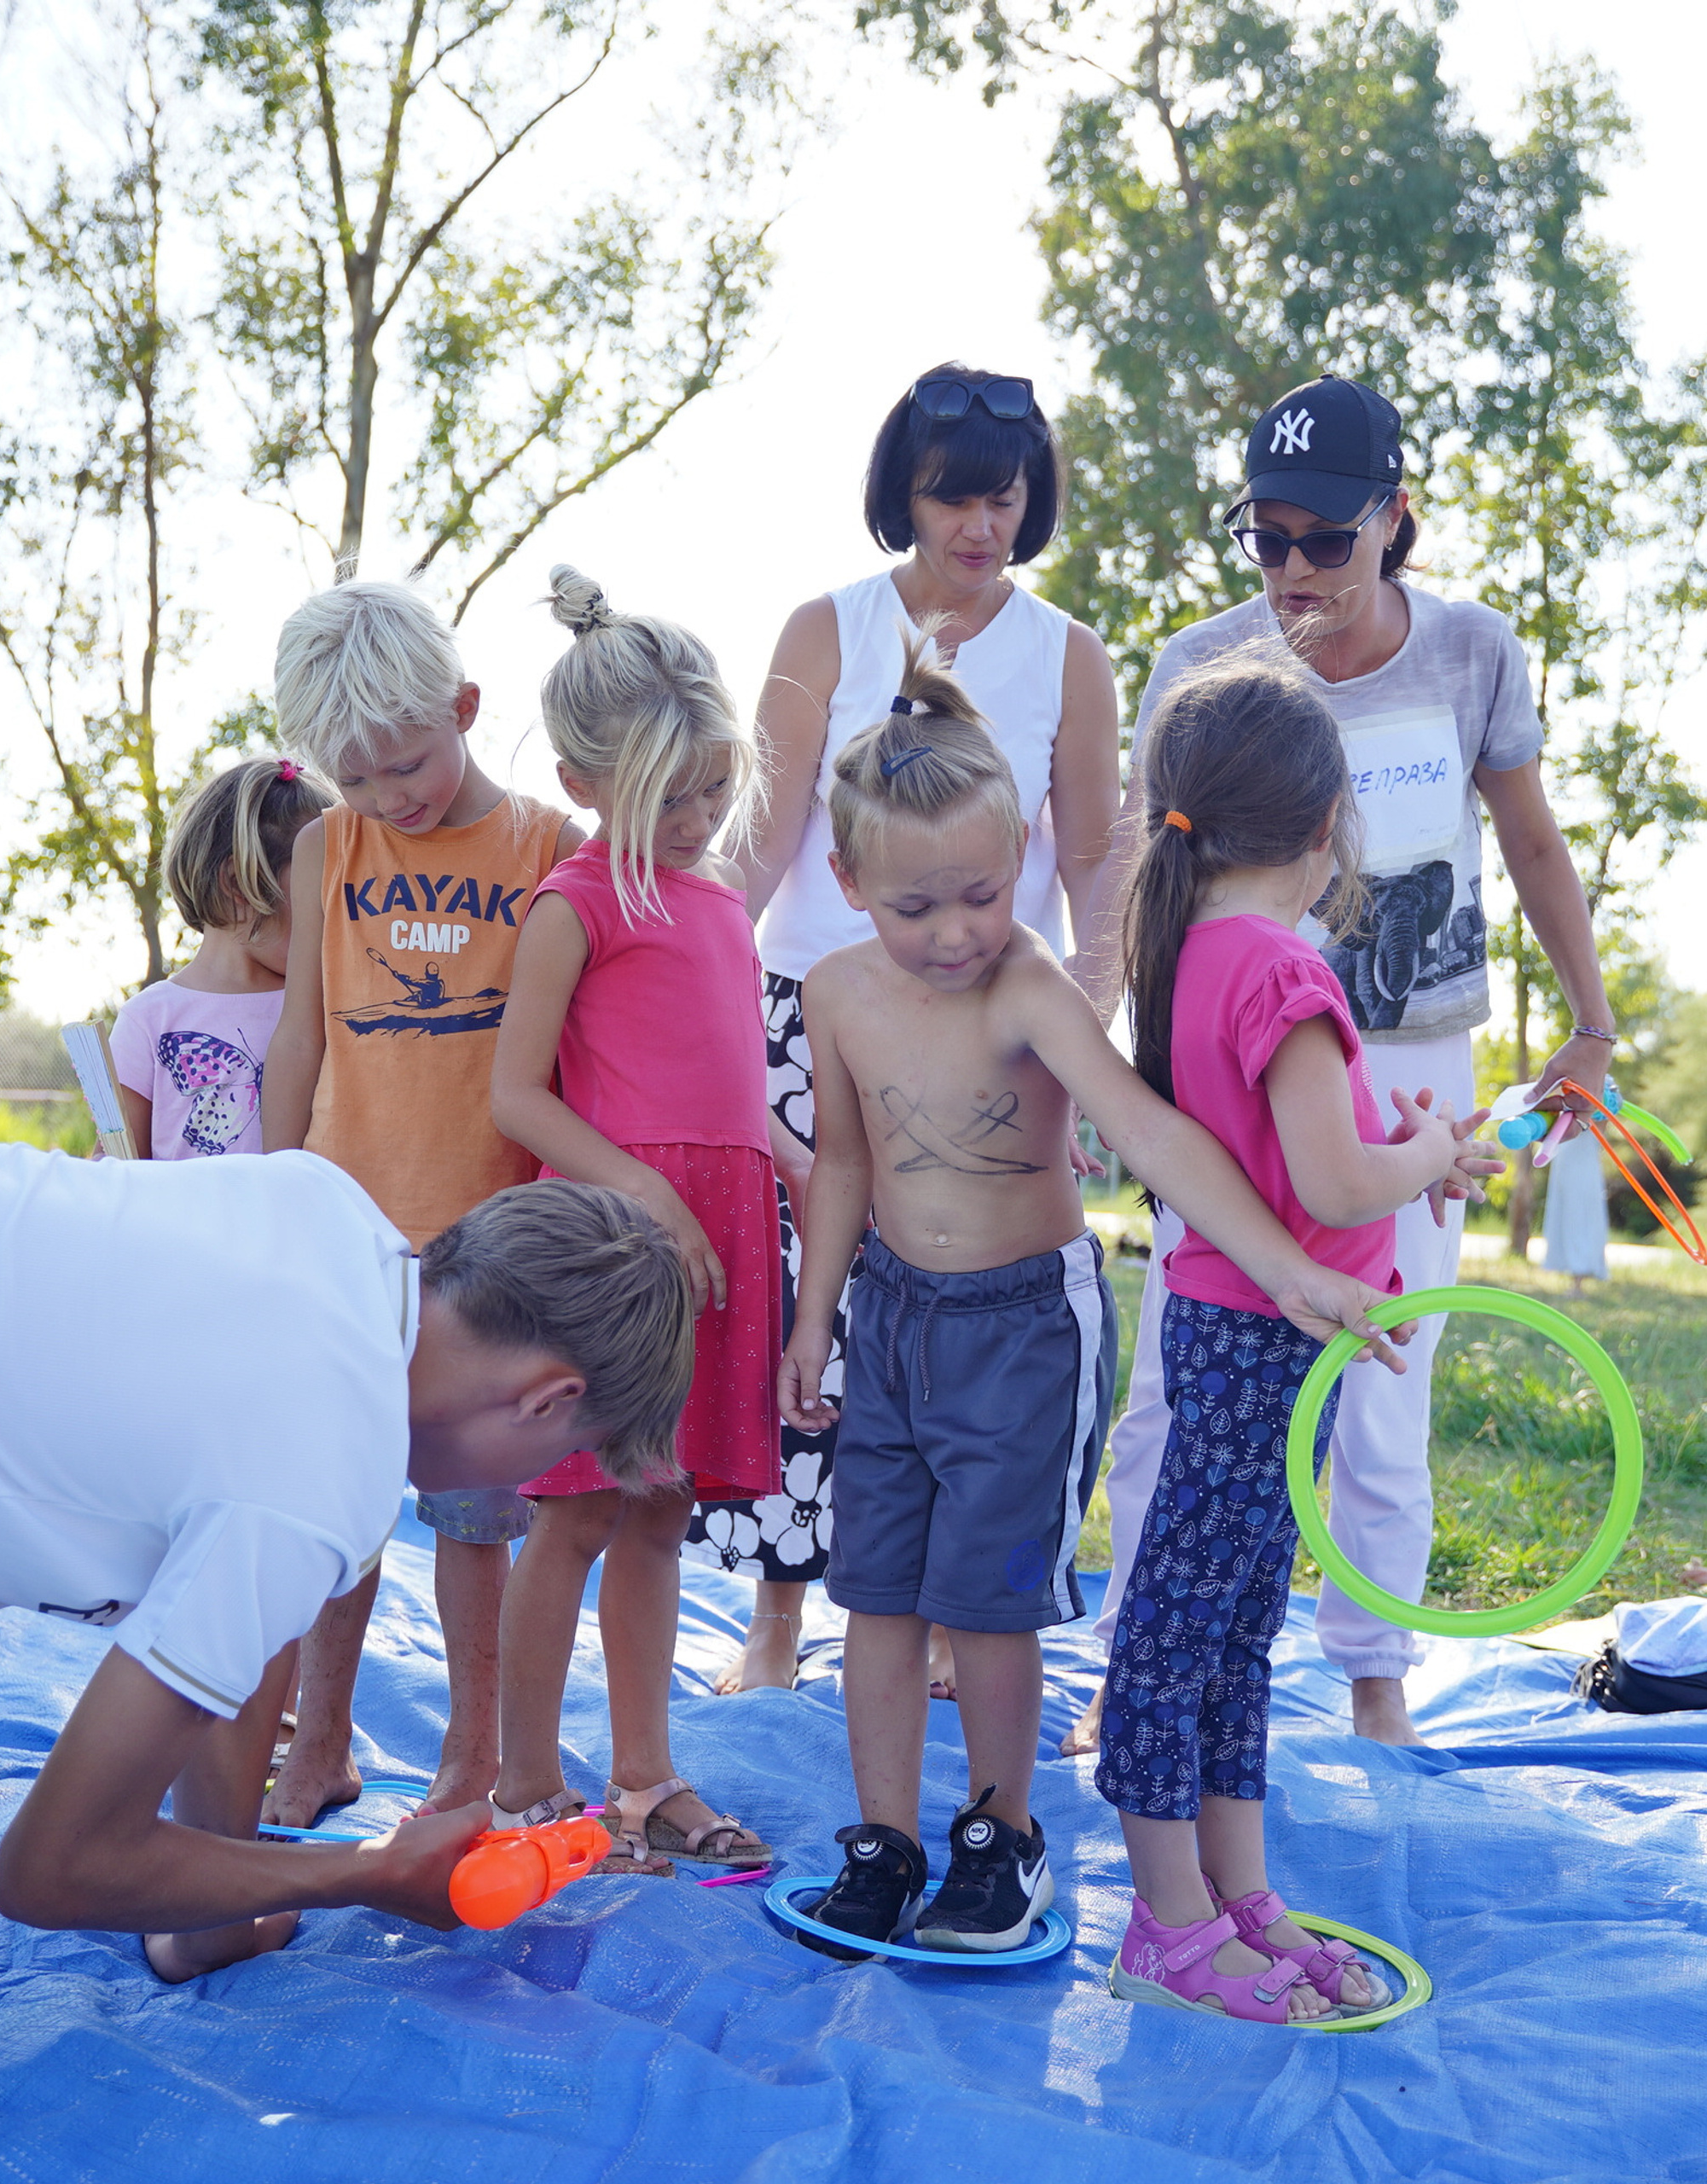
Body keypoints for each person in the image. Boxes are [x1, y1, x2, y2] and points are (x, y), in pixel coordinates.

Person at [0, 1136, 690, 2183]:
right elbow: (47, 1869)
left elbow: (243, 1599)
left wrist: (213, 1906)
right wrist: (365, 1874)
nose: (542, 1479)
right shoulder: (314, 1477)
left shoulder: (327, 1212)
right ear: (548, 1398)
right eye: (565, 1455)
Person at [776, 635, 1411, 1960]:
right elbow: (839, 1159)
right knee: (878, 1595)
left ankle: (998, 1839)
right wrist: (812, 1320)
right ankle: (885, 1839)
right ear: (847, 883)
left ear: (1017, 862)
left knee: (995, 1598)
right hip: (890, 1321)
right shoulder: (832, 994)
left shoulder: (1033, 985)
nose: (954, 932)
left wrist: (1289, 1266)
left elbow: (1155, 1133)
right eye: (914, 907)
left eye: (982, 893)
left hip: (1023, 1329)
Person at [1065, 372, 1619, 1757]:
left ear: (1395, 518)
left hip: (1410, 1068)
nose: (1297, 569)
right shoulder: (1203, 665)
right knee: (1180, 1387)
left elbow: (1536, 841)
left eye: (1327, 537)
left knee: (1387, 1377)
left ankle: (1377, 1684)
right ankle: (1135, 1658)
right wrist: (1114, 1080)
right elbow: (1147, 881)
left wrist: (1592, 1020)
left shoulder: (1472, 651)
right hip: (1236, 1068)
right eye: (1269, 539)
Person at [692, 364, 1121, 1699]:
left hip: (993, 1028)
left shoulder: (1071, 655)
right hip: (813, 1013)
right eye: (953, 498)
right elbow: (754, 853)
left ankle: (949, 1626)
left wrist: (1088, 1044)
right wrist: (693, 1001)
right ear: (906, 496)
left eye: (1003, 498)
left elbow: (1100, 870)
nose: (980, 525)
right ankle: (775, 1619)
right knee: (797, 1318)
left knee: (966, 1332)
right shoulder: (824, 632)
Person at [1098, 654, 1494, 2026]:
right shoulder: (1283, 966)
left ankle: (1233, 1892)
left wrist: (1411, 1155)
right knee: (1188, 1631)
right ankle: (1167, 1922)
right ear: (1328, 826)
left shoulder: (1198, 952)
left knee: (1233, 1622)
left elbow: (1292, 1154)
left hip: (1253, 1338)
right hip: (1266, 1346)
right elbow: (1329, 1188)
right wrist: (1429, 1146)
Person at [258, 579, 582, 1827]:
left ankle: (473, 1755)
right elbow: (301, 1038)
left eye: (408, 764)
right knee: (334, 1511)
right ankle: (318, 1741)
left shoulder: (549, 846)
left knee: (473, 1520)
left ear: (466, 707)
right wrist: (269, 1192)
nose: (391, 799)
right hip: (344, 1235)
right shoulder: (325, 851)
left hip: (488, 1261)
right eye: (359, 779)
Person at [485, 567, 787, 1874]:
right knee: (578, 1512)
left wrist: (801, 1170)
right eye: (676, 796)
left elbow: (735, 1095)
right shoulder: (579, 903)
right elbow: (517, 1094)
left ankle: (645, 1774)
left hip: (718, 1241)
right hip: (615, 1254)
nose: (704, 815)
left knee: (662, 1512)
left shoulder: (722, 905)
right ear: (585, 782)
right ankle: (527, 1788)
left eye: (718, 787)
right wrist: (652, 1197)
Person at [109, 758, 333, 1159]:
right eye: (319, 890)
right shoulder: (150, 1019)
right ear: (239, 884)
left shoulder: (328, 1004)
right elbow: (121, 1162)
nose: (333, 914)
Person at [1541, 1116, 1611, 1296]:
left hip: (1584, 1161)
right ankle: (1571, 1269)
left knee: (1581, 1213)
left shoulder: (1604, 1095)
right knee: (1567, 1212)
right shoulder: (1564, 1092)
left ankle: (1580, 1275)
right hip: (1565, 1157)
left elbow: (1602, 1128)